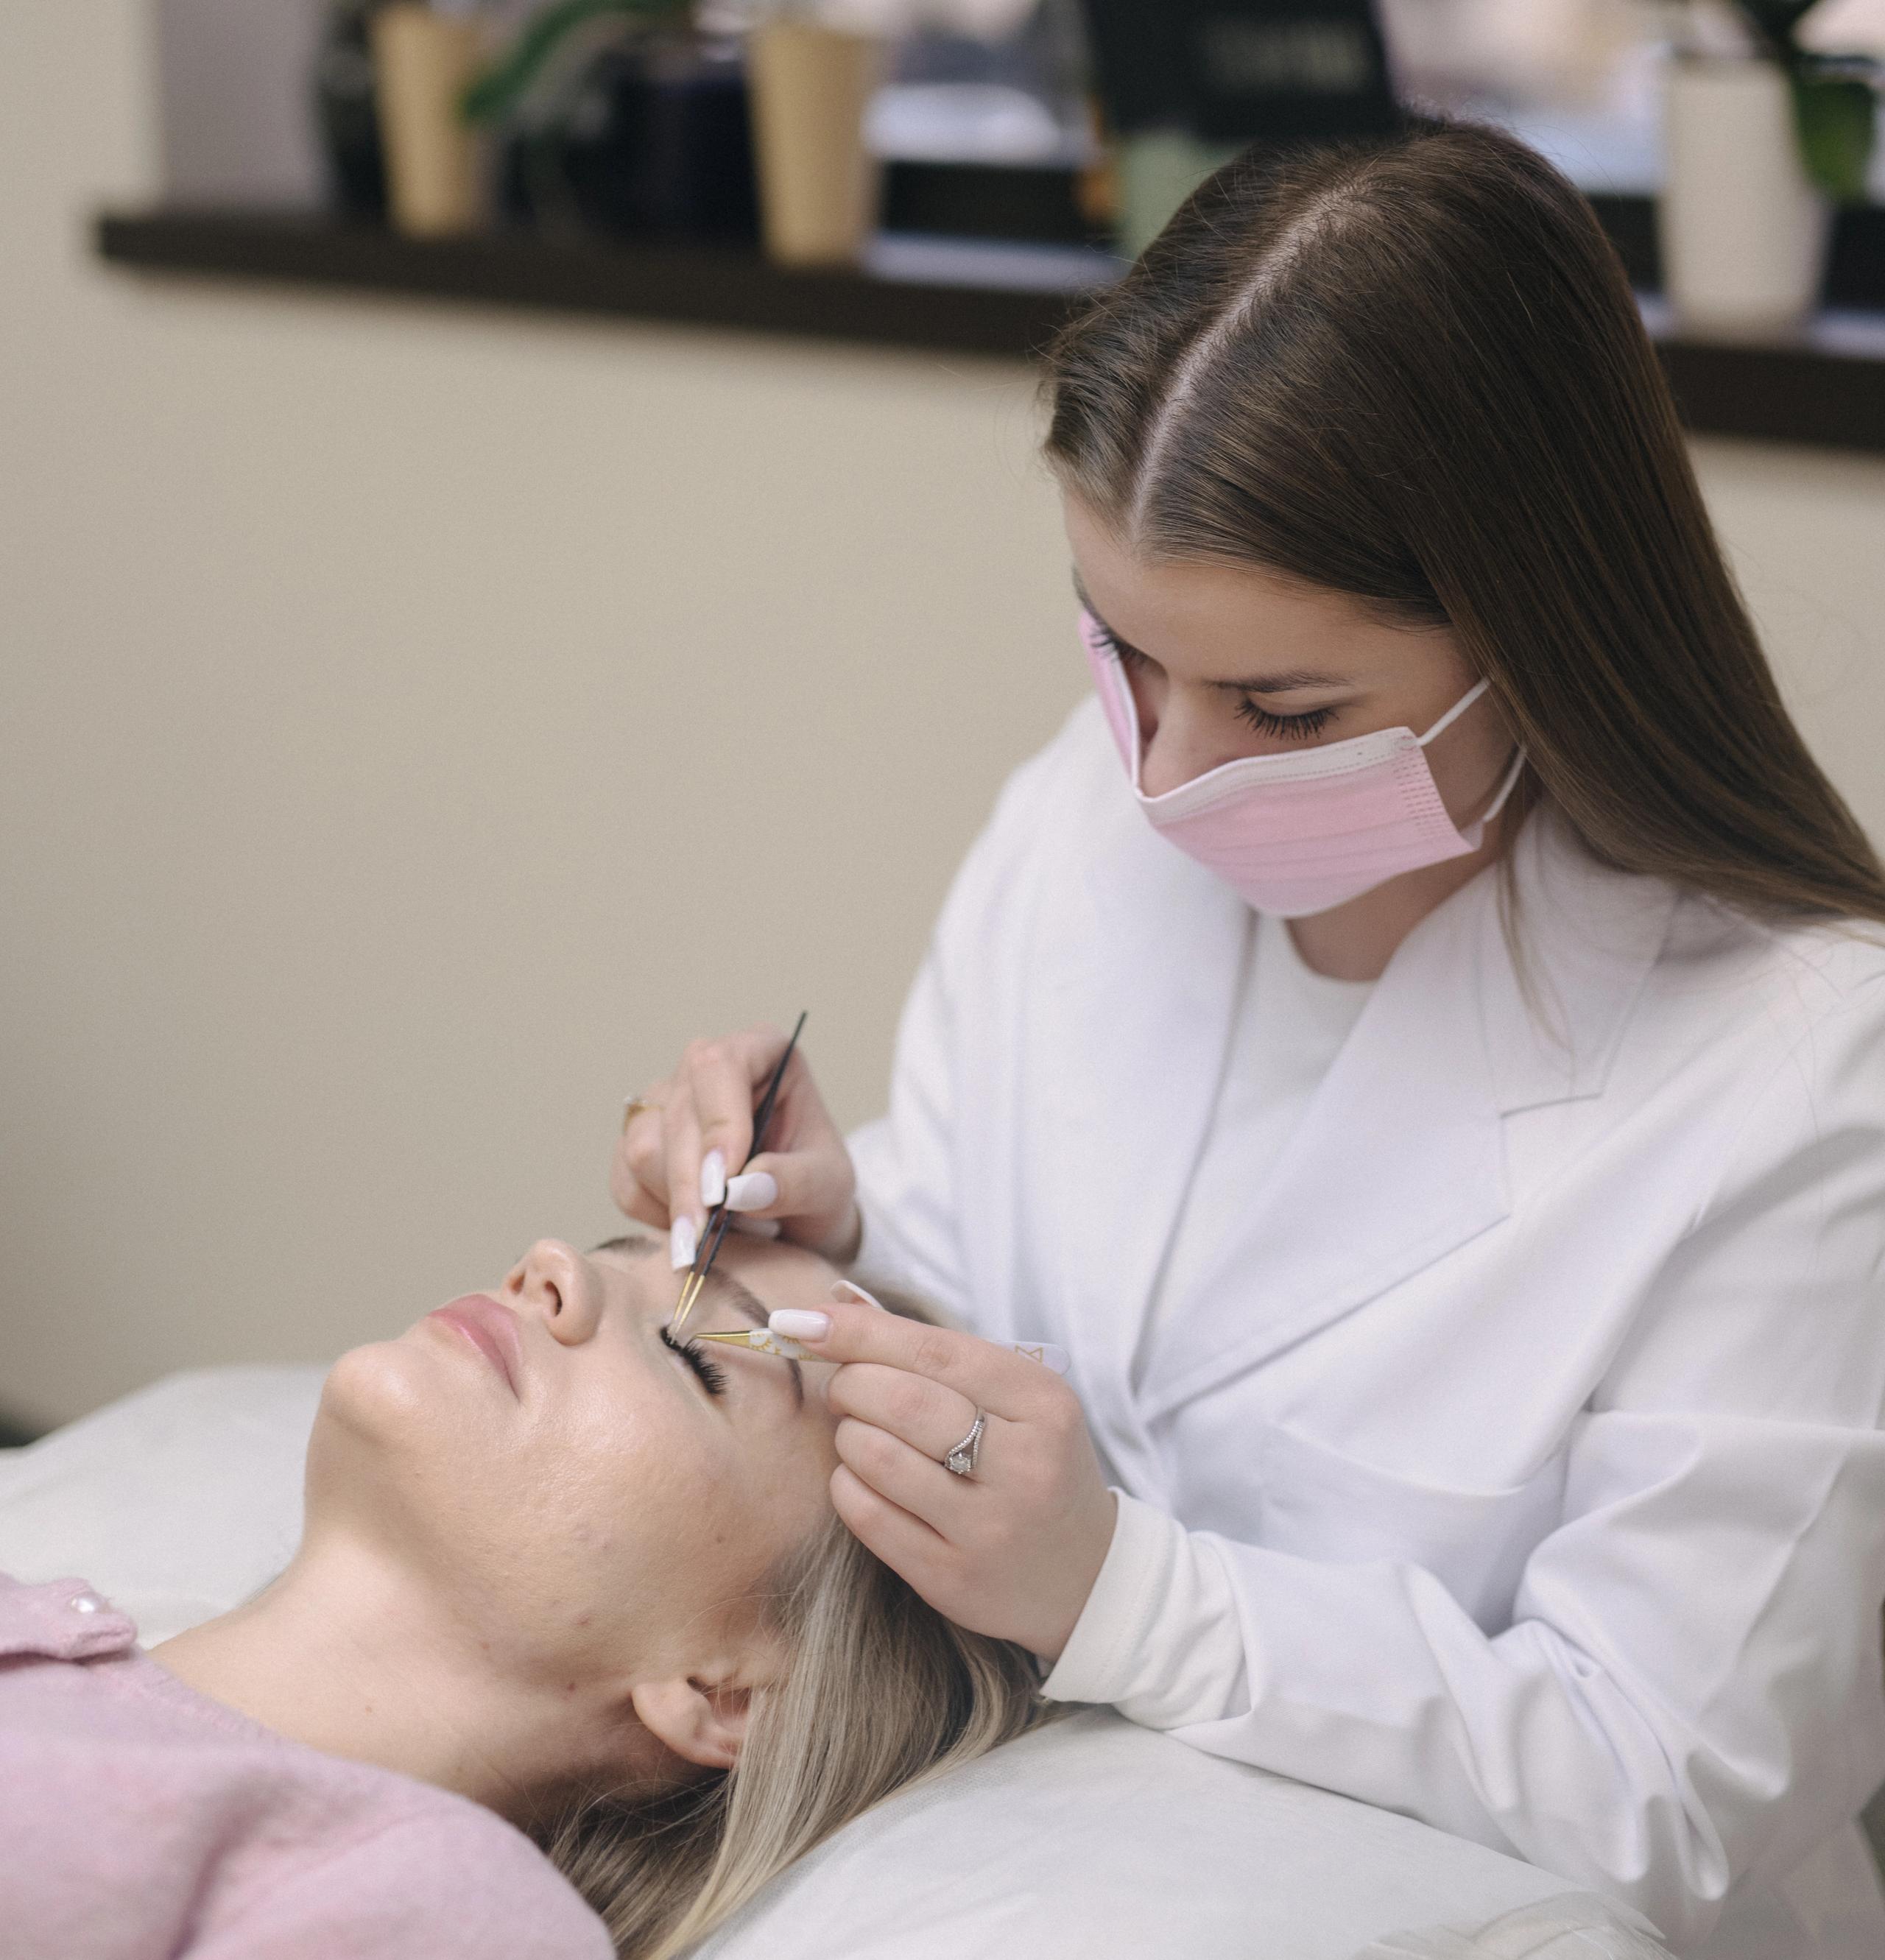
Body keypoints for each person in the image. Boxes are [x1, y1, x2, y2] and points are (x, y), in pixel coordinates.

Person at [612, 116, 1885, 1959]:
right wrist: (840, 1230)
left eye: (1284, 707)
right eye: (1120, 656)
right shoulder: (1091, 808)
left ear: (1541, 635)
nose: (1165, 775)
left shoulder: (1805, 1077)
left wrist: (1135, 1596)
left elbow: (1670, 1796)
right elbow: (1022, 1315)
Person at [0, 1232, 1044, 1960]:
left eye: (695, 1355)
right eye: (613, 1250)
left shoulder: (446, 1910)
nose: (553, 1262)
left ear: (729, 1690)